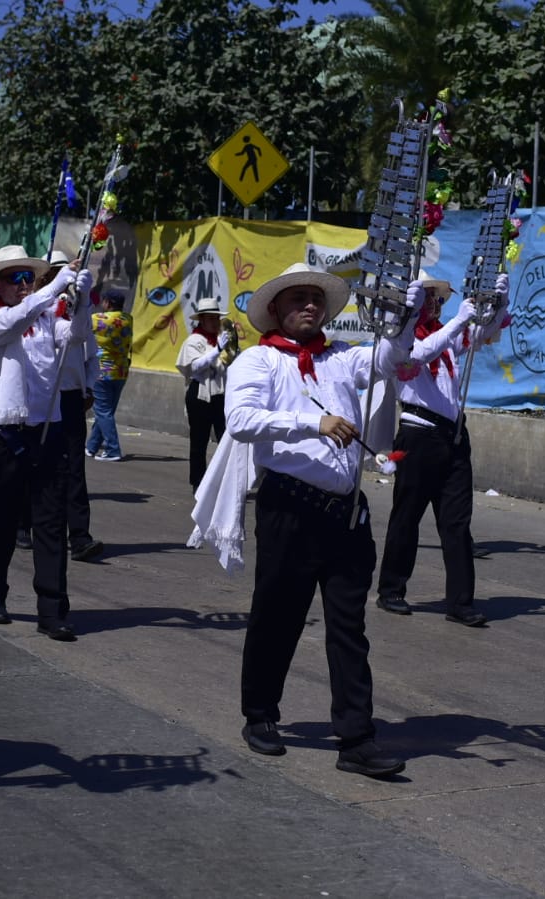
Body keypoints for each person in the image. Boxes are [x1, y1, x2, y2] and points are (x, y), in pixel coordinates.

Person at [191, 262, 407, 779]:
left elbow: (391, 360)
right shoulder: (258, 361)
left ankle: (356, 737)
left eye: (316, 297)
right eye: (298, 298)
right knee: (278, 616)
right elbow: (240, 421)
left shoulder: (341, 358)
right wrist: (312, 421)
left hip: (346, 510)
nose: (310, 305)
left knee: (348, 627)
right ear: (276, 310)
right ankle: (260, 714)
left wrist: (404, 313)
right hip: (289, 505)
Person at [0, 245, 92, 641]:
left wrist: (81, 298)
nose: (23, 285)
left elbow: (78, 335)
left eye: (28, 278)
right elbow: (12, 323)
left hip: (46, 432)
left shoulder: (46, 317)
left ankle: (53, 610)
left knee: (51, 524)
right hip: (4, 435)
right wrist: (53, 290)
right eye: (14, 278)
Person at [374, 277, 508, 627]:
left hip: (452, 436)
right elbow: (418, 355)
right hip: (418, 436)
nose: (435, 304)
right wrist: (458, 321)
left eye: (438, 299)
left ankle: (461, 601)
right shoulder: (402, 338)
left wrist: (499, 302)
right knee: (407, 516)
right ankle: (391, 589)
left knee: (457, 523)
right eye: (429, 298)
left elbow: (482, 333)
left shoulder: (447, 338)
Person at [41, 251, 103, 562]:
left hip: (71, 400)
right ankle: (29, 526)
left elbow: (91, 354)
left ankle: (79, 536)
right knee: (40, 467)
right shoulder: (39, 312)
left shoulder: (77, 311)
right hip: (42, 399)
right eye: (54, 273)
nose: (59, 278)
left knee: (75, 470)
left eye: (64, 272)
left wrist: (89, 385)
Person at [175, 297, 232, 488]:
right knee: (199, 441)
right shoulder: (194, 340)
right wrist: (217, 350)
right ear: (202, 320)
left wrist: (232, 352)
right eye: (211, 318)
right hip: (200, 395)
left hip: (220, 395)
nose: (216, 322)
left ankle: (226, 481)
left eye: (217, 318)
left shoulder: (220, 339)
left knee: (226, 439)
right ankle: (198, 482)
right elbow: (195, 367)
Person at [85, 288, 132, 461]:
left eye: (103, 301)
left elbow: (82, 320)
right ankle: (91, 446)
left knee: (103, 412)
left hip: (101, 372)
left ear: (108, 303)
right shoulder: (128, 319)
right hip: (120, 372)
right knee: (106, 411)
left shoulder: (98, 319)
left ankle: (113, 450)